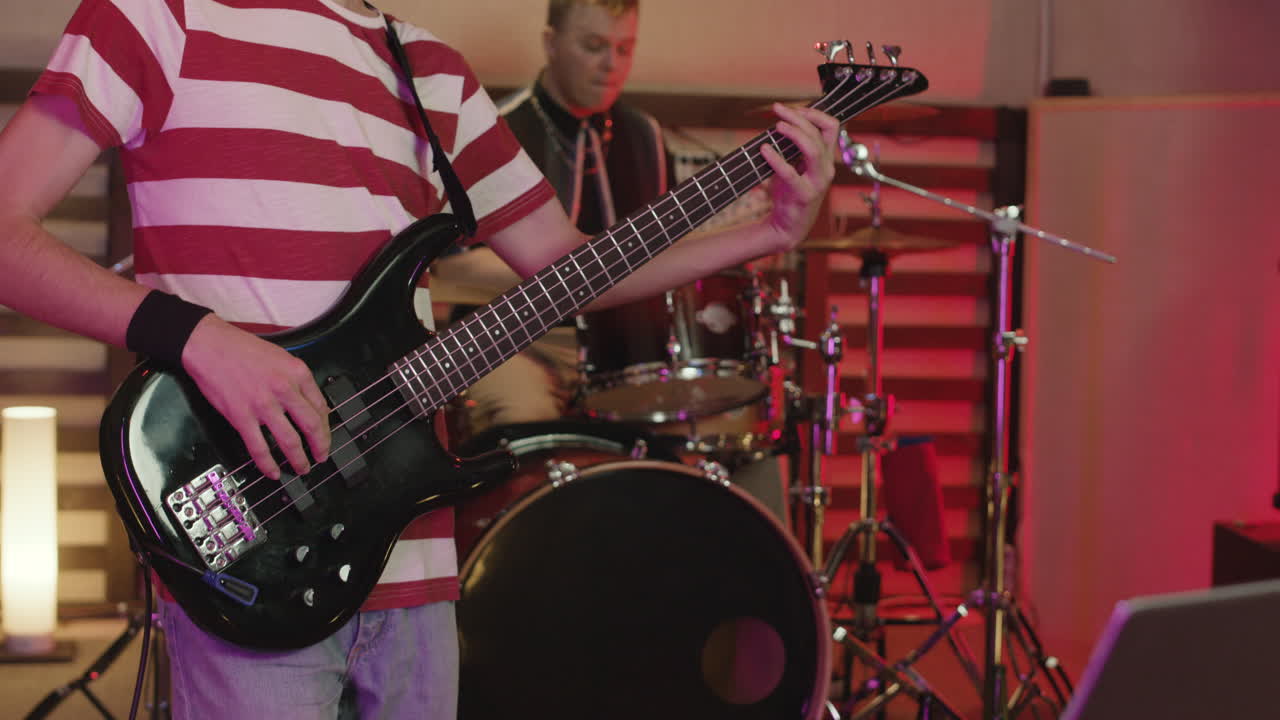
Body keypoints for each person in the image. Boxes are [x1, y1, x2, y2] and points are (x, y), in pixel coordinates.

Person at [0, 1, 838, 718]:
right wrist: (198, 336)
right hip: (251, 541)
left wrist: (763, 231)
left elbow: (566, 263)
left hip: (416, 553)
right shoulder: (156, 17)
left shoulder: (426, 65)